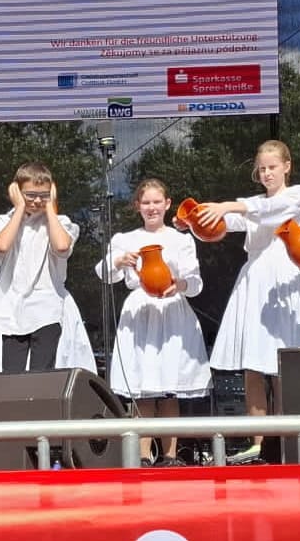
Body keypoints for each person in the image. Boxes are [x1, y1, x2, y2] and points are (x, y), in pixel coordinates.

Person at [194, 139, 300, 463]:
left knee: (281, 364)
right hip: (254, 280)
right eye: (262, 169)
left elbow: (267, 210)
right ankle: (259, 442)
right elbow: (230, 223)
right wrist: (200, 218)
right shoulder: (252, 205)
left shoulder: (297, 194)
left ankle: (284, 439)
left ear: (286, 167)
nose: (267, 173)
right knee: (253, 365)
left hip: (281, 275)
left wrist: (227, 205)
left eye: (272, 167)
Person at [97, 178, 211, 466]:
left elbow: (195, 282)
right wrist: (119, 261)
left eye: (157, 202)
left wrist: (179, 284)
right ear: (137, 206)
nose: (152, 207)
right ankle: (143, 456)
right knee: (144, 389)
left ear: (167, 204)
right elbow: (103, 272)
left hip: (172, 311)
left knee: (169, 388)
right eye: (146, 202)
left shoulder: (181, 239)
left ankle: (170, 456)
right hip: (140, 313)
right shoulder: (125, 239)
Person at [0, 161, 96, 374]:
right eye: (30, 195)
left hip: (47, 308)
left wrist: (50, 207)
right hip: (13, 308)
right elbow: (1, 247)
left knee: (42, 372)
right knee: (12, 374)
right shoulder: (3, 221)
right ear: (17, 191)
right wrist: (19, 208)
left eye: (43, 195)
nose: (36, 201)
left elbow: (62, 247)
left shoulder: (60, 222)